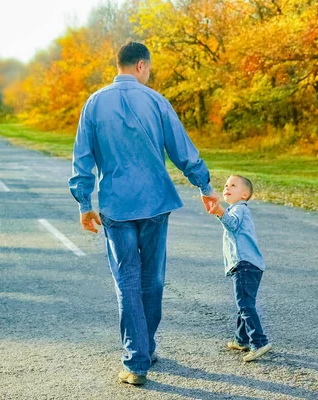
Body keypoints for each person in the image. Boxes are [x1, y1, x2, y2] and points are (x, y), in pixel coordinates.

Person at [68, 41, 218, 385]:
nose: (148, 74)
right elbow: (184, 151)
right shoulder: (156, 101)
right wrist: (206, 188)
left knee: (127, 281)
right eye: (148, 69)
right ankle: (146, 348)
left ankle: (136, 361)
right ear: (140, 66)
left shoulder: (93, 104)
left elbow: (82, 159)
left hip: (116, 206)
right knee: (153, 279)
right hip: (155, 203)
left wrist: (84, 204)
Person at [208, 175, 272, 362]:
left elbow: (232, 223)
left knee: (245, 305)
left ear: (244, 194)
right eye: (226, 185)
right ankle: (241, 339)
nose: (227, 188)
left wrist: (220, 211)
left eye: (233, 185)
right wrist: (221, 212)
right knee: (243, 303)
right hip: (250, 265)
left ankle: (259, 342)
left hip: (245, 264)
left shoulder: (238, 210)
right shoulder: (237, 209)